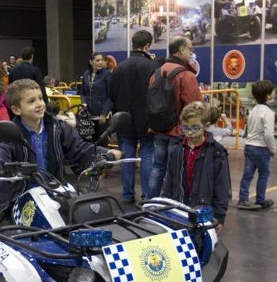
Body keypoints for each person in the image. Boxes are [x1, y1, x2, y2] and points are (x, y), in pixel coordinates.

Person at [0, 79, 121, 235]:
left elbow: (80, 148)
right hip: (19, 191)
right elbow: (1, 151)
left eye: (40, 98)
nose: (40, 104)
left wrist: (103, 153)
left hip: (55, 188)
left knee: (81, 215)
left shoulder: (57, 127)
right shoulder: (12, 132)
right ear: (16, 109)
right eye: (31, 101)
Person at [161, 101, 231, 233]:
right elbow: (168, 180)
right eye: (185, 128)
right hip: (178, 211)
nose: (190, 133)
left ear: (206, 126)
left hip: (204, 215)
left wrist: (219, 217)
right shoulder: (177, 149)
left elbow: (223, 187)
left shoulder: (217, 152)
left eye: (195, 128)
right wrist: (165, 206)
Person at [148, 36, 203, 199]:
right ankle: (174, 205)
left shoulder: (157, 73)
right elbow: (195, 106)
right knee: (177, 171)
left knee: (157, 168)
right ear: (181, 50)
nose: (192, 53)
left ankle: (150, 202)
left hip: (157, 128)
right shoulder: (185, 75)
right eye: (190, 49)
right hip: (177, 131)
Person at [109, 30, 158, 204]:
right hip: (146, 119)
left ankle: (127, 194)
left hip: (124, 120)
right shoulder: (153, 67)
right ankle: (147, 195)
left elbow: (112, 96)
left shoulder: (119, 68)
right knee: (147, 156)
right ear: (147, 46)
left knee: (127, 156)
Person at [238, 80, 277, 210]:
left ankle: (243, 199)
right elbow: (268, 135)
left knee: (247, 174)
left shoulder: (253, 110)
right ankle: (260, 200)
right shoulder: (269, 113)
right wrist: (272, 149)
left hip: (249, 146)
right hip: (261, 148)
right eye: (271, 92)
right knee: (264, 174)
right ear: (267, 96)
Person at [80, 52, 112, 142]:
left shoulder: (107, 74)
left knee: (102, 143)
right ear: (91, 62)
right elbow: (82, 93)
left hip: (102, 116)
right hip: (88, 115)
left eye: (102, 60)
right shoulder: (86, 73)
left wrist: (104, 114)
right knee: (90, 143)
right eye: (97, 60)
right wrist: (83, 103)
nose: (100, 62)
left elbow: (111, 97)